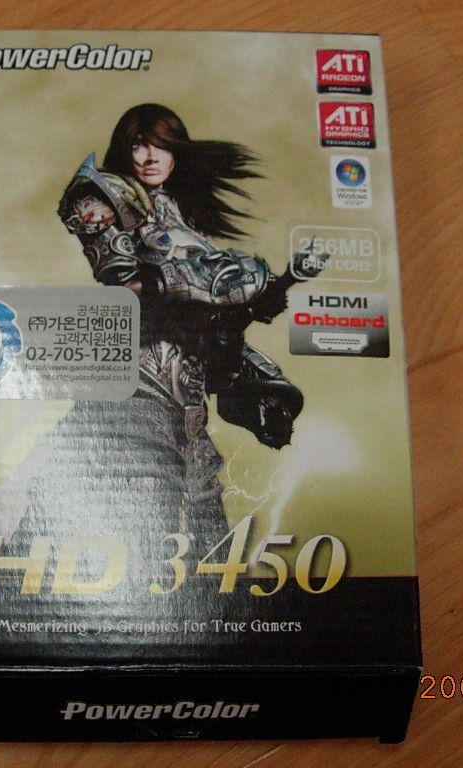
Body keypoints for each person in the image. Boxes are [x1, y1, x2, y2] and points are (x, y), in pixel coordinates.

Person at [54, 103, 312, 560]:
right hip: (133, 395)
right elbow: (127, 291)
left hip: (185, 405)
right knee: (146, 542)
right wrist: (214, 285)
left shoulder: (177, 216)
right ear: (124, 150)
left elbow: (206, 323)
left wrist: (256, 363)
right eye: (139, 145)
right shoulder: (104, 196)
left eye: (163, 146)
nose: (150, 156)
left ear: (177, 153)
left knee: (214, 551)